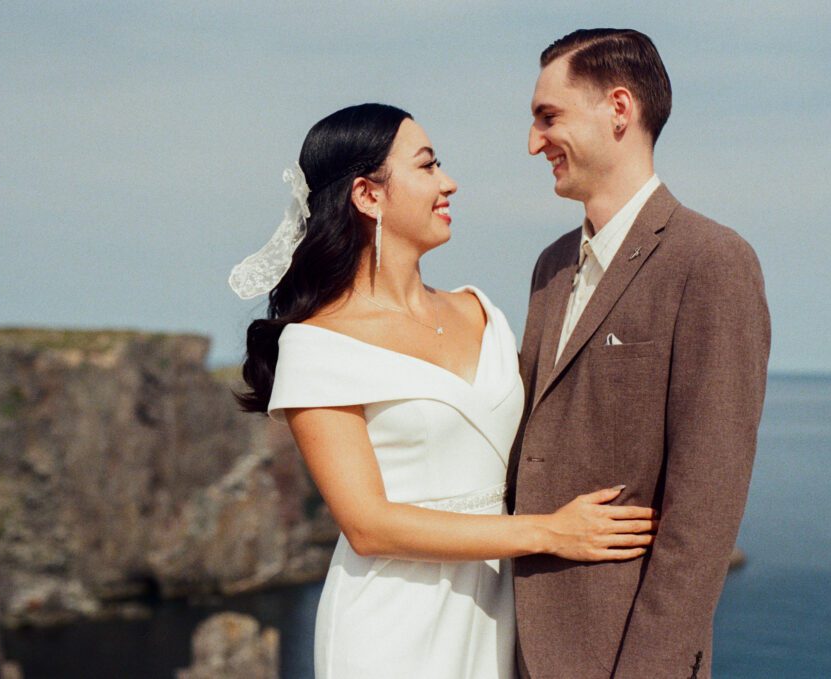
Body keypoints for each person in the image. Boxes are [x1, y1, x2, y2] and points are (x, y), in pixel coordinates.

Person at [229, 103, 658, 679]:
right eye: (427, 166)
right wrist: (551, 532)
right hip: (391, 628)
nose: (448, 182)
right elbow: (368, 526)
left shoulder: (482, 311)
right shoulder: (317, 346)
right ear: (368, 195)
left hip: (497, 610)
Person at [507, 29, 771, 679]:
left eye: (548, 116)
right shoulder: (550, 266)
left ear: (619, 109)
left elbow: (706, 506)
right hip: (510, 644)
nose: (533, 142)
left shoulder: (712, 260)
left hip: (618, 655)